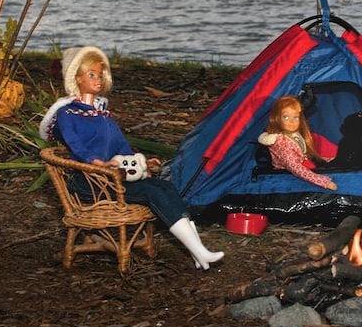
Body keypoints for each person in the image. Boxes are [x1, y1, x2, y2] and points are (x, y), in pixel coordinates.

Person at [39, 46, 224, 270]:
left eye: (99, 74)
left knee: (164, 186)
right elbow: (75, 145)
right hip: (91, 182)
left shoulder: (103, 115)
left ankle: (198, 251)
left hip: (114, 177)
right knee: (151, 192)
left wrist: (140, 163)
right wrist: (96, 162)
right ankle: (199, 252)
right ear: (76, 78)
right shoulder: (67, 114)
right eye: (91, 75)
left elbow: (121, 146)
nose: (97, 80)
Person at [258, 95, 338, 190]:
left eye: (295, 117)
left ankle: (338, 156)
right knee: (319, 168)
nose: (292, 121)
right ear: (277, 118)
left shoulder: (293, 134)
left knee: (318, 141)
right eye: (286, 117)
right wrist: (323, 181)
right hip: (290, 169)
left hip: (302, 159)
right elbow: (296, 168)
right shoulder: (282, 143)